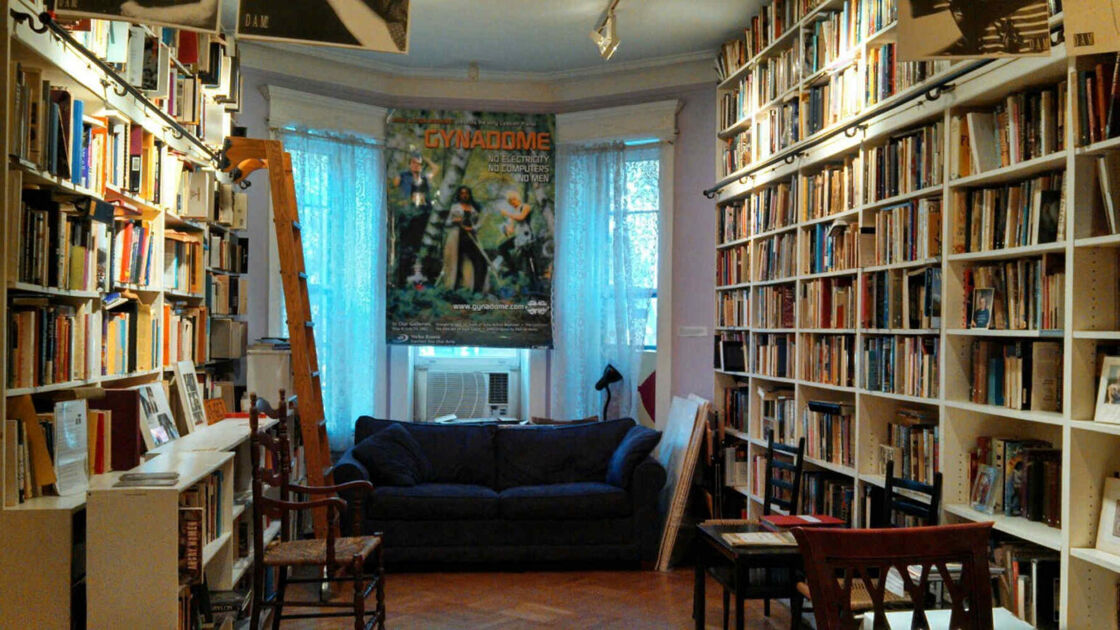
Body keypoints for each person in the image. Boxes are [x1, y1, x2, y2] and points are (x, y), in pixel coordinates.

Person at [392, 153, 439, 286]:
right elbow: (394, 185)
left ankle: (420, 279)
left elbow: (436, 169)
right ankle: (401, 280)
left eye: (418, 163)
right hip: (408, 214)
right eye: (413, 163)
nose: (416, 165)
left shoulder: (424, 177)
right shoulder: (403, 176)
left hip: (423, 214)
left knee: (421, 245)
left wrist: (426, 158)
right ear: (409, 164)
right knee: (406, 247)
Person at [441, 186, 488, 291]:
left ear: (469, 195)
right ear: (459, 195)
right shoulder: (454, 207)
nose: (464, 195)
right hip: (456, 238)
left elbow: (479, 223)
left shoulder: (474, 208)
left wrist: (472, 228)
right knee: (456, 262)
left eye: (466, 193)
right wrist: (454, 221)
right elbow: (446, 223)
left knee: (481, 261)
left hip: (471, 238)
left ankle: (477, 289)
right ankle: (453, 289)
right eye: (462, 193)